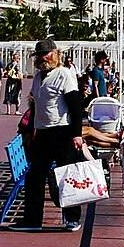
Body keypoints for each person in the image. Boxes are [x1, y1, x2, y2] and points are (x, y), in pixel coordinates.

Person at [15, 39, 85, 232]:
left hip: (62, 131)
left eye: (47, 54)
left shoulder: (64, 75)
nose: (43, 58)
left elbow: (75, 107)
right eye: (40, 55)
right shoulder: (38, 77)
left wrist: (77, 134)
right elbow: (34, 106)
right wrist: (29, 131)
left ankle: (72, 219)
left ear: (56, 54)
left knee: (66, 176)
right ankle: (32, 219)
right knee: (35, 176)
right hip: (43, 133)